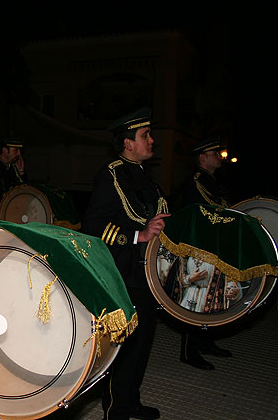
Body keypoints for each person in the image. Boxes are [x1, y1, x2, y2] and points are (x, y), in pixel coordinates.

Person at [82, 107, 169, 420]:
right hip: (123, 272)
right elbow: (93, 226)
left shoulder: (147, 177)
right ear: (128, 143)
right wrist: (139, 235)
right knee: (123, 347)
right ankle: (115, 409)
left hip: (148, 274)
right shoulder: (111, 174)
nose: (152, 140)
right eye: (146, 136)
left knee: (143, 342)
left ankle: (131, 401)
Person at [178, 138, 234, 370]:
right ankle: (189, 351)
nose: (219, 156)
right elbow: (206, 213)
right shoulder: (198, 182)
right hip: (200, 250)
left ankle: (206, 342)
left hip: (213, 248)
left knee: (212, 297)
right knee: (196, 300)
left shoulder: (211, 181)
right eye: (214, 152)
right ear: (202, 158)